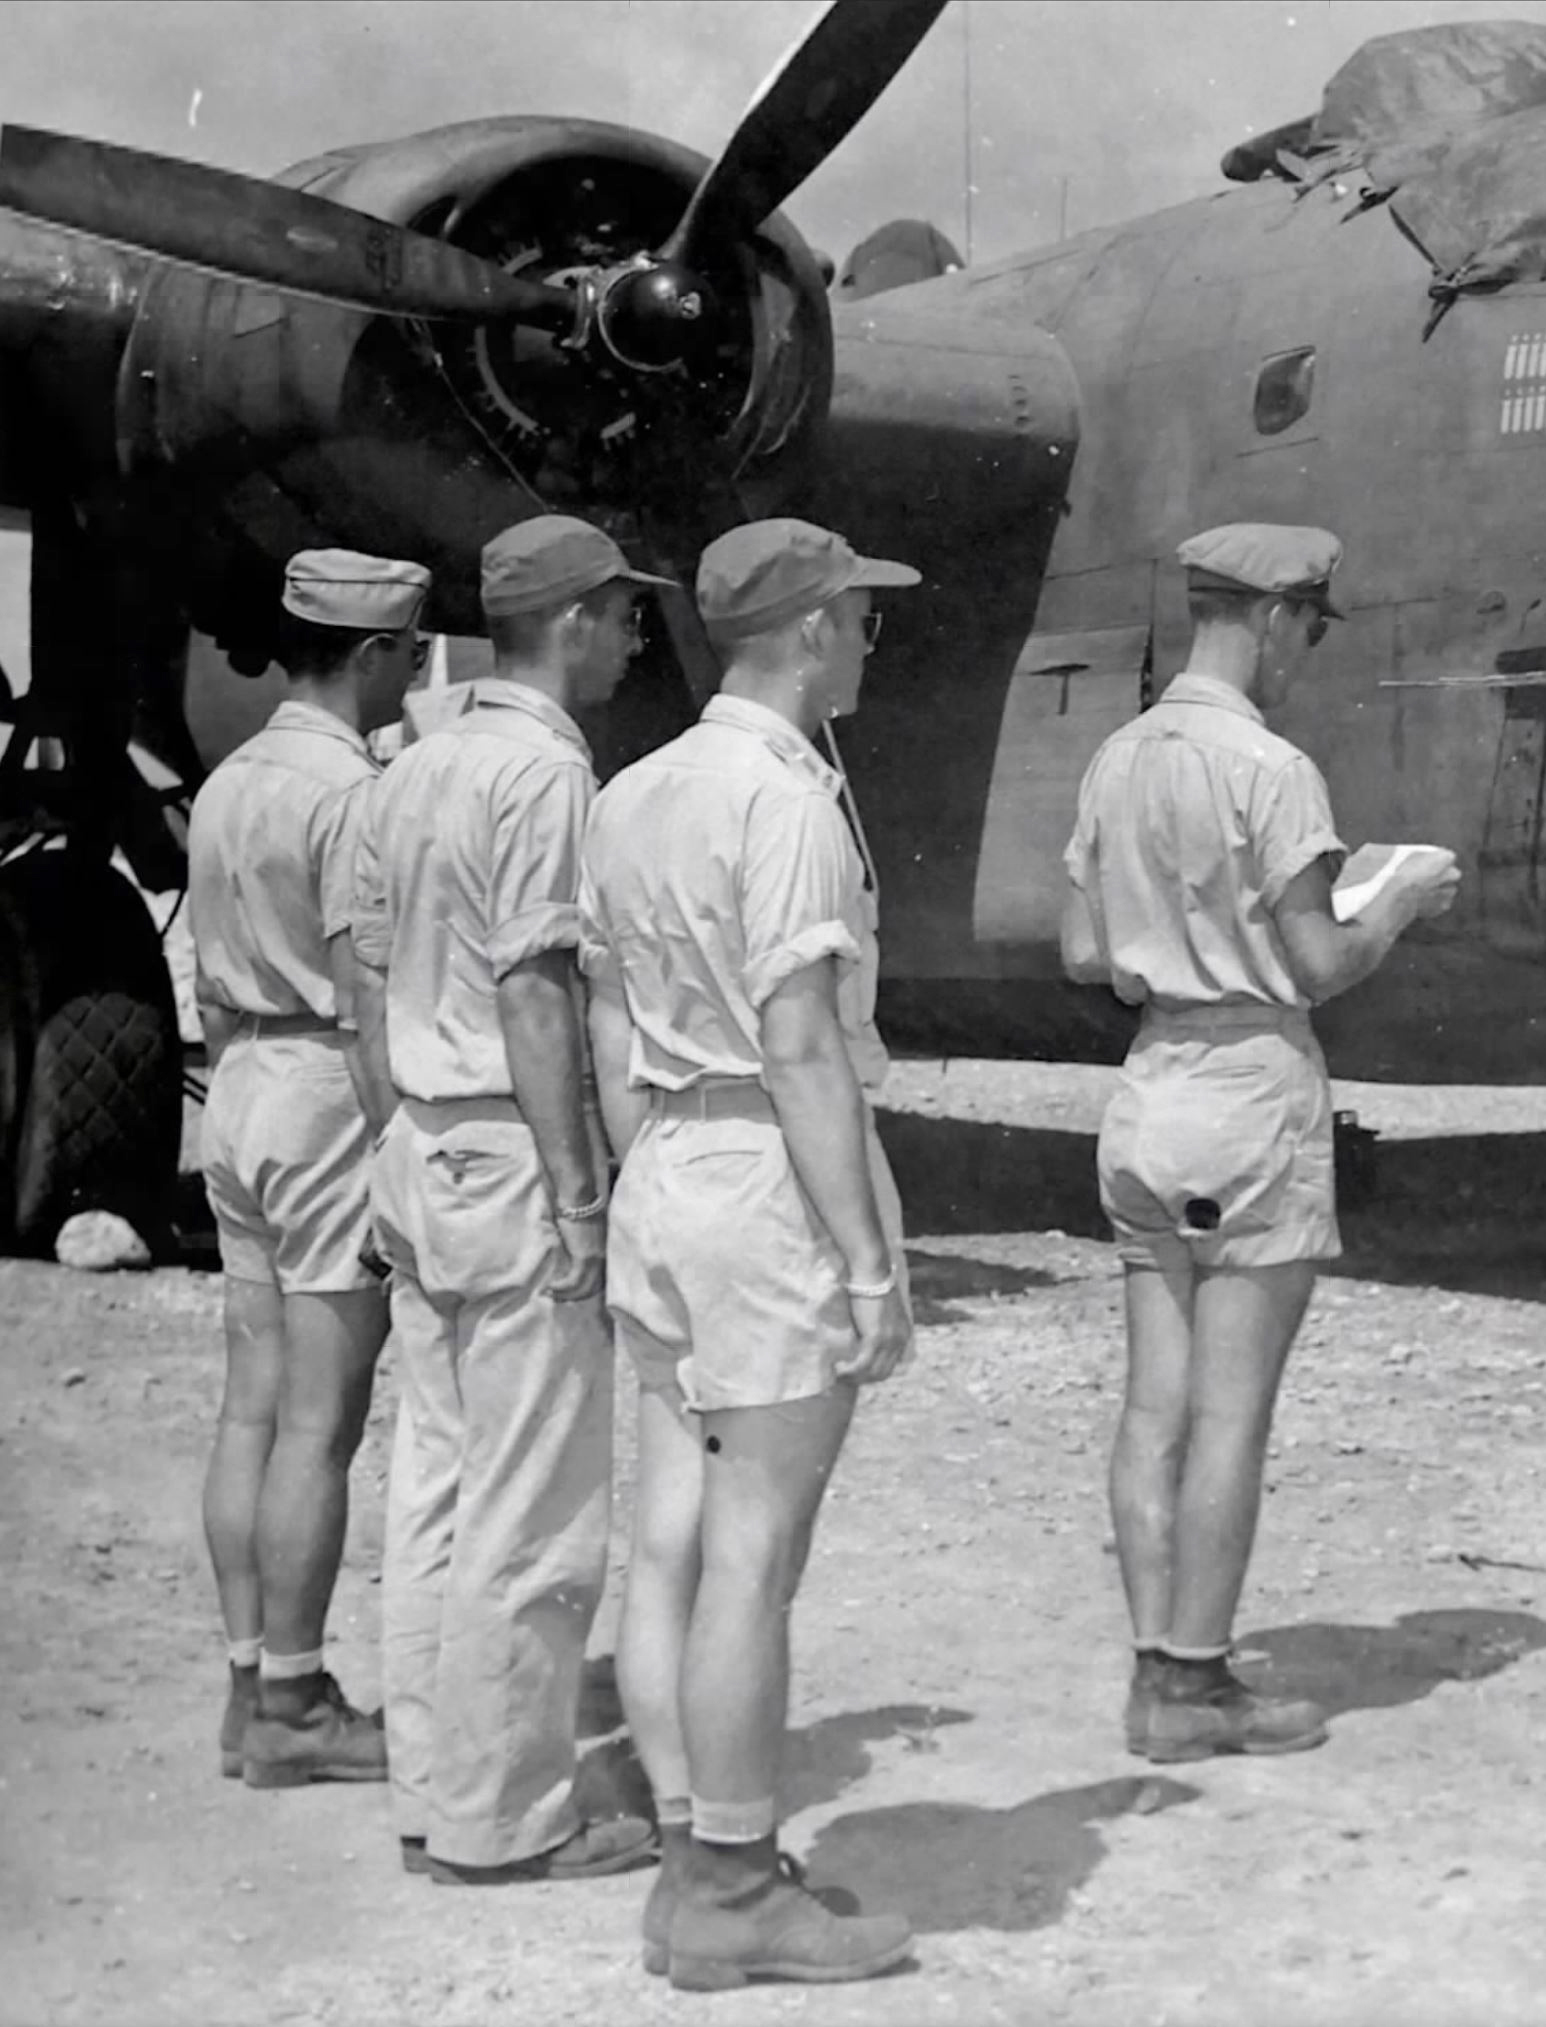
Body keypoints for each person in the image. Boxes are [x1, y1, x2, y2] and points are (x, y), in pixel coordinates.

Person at [583, 519, 920, 1990]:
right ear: (806, 629)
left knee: (667, 1535)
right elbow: (798, 1041)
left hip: (663, 1154)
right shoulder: (781, 799)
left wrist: (635, 1173)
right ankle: (731, 1887)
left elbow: (604, 1011)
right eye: (860, 615)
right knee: (754, 1551)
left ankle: (688, 1851)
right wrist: (863, 1254)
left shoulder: (636, 789)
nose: (868, 639)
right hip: (759, 1171)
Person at [1062, 522, 1459, 1763]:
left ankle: (1149, 1666)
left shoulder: (1116, 760)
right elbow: (1319, 960)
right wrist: (1395, 897)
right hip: (1247, 1088)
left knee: (1152, 1407)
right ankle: (1194, 1680)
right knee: (1231, 1415)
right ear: (1276, 617)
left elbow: (1083, 954)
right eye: (1308, 628)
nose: (1302, 654)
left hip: (1149, 1088)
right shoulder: (1271, 768)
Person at [355, 513, 669, 1883]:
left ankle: (431, 1787)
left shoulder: (414, 763)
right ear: (578, 619)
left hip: (420, 1141)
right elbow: (537, 989)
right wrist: (579, 1193)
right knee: (533, 1505)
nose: (634, 641)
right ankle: (508, 1819)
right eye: (624, 617)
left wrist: (398, 1143)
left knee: (432, 1481)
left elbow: (367, 982)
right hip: (506, 1146)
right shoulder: (544, 775)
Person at [190, 548, 427, 1789]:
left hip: (235, 1087)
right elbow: (367, 1000)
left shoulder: (233, 778)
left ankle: (246, 1678)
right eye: (412, 648)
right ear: (377, 654)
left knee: (251, 1404)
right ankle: (296, 1696)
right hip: (324, 1089)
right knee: (321, 1425)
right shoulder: (351, 794)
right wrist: (399, 1148)